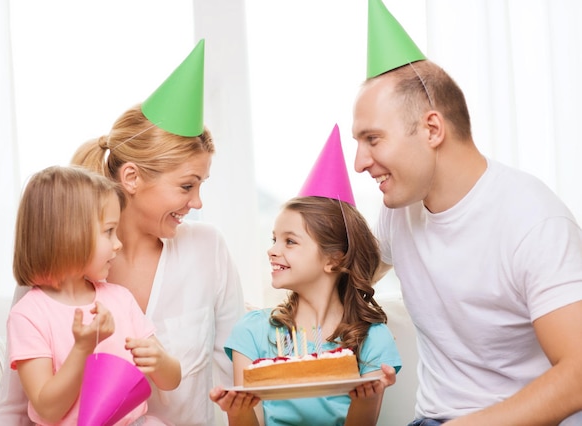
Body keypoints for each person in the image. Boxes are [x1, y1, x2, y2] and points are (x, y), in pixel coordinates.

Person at [0, 39, 245, 426]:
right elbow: (16, 402)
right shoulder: (55, 267)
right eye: (186, 186)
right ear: (132, 177)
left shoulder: (208, 250)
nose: (197, 203)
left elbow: (232, 378)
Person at [350, 1, 582, 424]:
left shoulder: (534, 221)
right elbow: (346, 278)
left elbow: (577, 374)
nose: (360, 162)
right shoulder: (398, 214)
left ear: (432, 129)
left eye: (373, 139)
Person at [210, 125, 401, 426]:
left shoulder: (370, 339)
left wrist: (368, 400)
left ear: (333, 259)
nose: (272, 250)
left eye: (290, 241)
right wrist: (237, 410)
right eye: (274, 239)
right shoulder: (253, 332)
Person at [8, 165, 181, 425]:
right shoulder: (28, 315)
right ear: (69, 235)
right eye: (109, 231)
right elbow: (47, 409)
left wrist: (161, 362)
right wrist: (82, 349)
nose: (118, 243)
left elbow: (171, 380)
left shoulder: (120, 299)